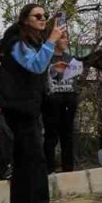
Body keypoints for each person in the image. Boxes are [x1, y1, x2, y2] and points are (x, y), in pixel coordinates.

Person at [0, 4, 61, 203]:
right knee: (34, 157)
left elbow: (38, 71)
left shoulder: (31, 40)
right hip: (19, 106)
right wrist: (51, 41)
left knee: (22, 157)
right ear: (25, 19)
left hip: (26, 104)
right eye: (37, 16)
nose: (43, 19)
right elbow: (35, 66)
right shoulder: (17, 41)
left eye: (45, 16)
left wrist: (54, 70)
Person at [42, 32, 82, 174]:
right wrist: (53, 70)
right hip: (52, 100)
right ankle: (49, 169)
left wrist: (74, 96)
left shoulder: (70, 59)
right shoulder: (46, 58)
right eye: (62, 37)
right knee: (51, 135)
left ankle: (68, 168)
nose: (66, 40)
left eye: (66, 37)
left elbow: (75, 79)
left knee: (68, 135)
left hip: (69, 99)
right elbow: (41, 78)